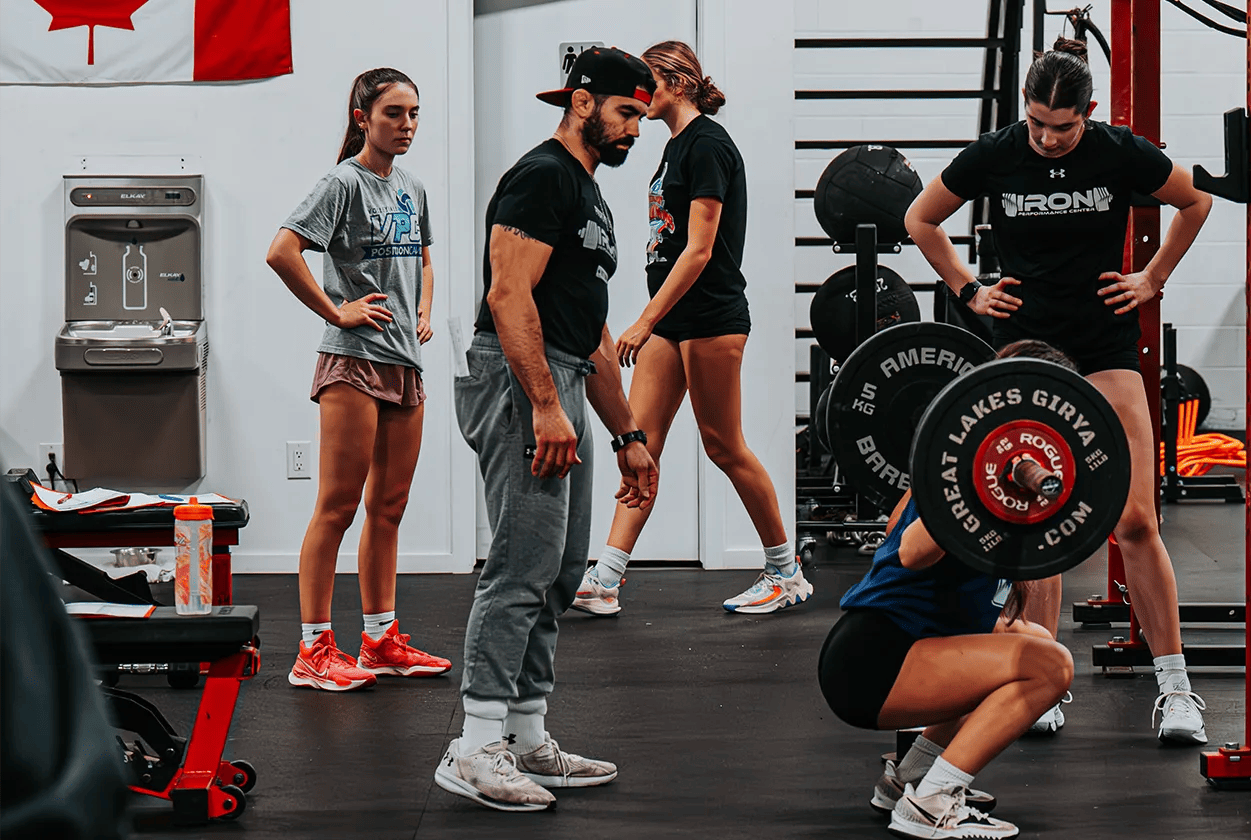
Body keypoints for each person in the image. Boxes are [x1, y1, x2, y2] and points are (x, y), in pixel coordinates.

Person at [902, 37, 1215, 743]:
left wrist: (1153, 277)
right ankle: (1040, 675)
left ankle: (1176, 689)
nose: (1046, 137)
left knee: (1134, 518)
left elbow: (1195, 199)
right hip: (1021, 349)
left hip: (1104, 345)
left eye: (1062, 126)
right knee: (1027, 517)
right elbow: (919, 219)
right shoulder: (997, 153)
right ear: (1026, 109)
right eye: (1038, 122)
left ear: (1088, 113)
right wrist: (968, 290)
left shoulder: (1116, 152)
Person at [435, 46, 660, 812]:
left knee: (563, 568)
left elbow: (589, 329)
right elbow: (508, 295)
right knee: (521, 564)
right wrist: (541, 403)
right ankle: (474, 744)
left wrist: (629, 434)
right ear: (583, 102)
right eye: (628, 113)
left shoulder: (588, 193)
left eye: (642, 116)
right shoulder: (542, 176)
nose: (636, 129)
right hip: (518, 375)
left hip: (561, 372)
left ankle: (527, 732)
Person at [572, 40, 807, 618]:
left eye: (647, 85)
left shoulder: (707, 145)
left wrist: (643, 321)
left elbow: (700, 250)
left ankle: (786, 571)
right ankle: (607, 577)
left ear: (676, 82)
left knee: (724, 445)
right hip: (672, 321)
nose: (639, 98)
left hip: (710, 319)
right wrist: (656, 320)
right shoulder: (676, 147)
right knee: (639, 445)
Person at [819, 340, 1079, 840]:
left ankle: (909, 779)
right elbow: (912, 553)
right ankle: (930, 803)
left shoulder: (1014, 484)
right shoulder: (958, 473)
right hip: (873, 661)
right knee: (1052, 666)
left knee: (1039, 647)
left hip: (894, 652)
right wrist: (974, 492)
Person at [266, 68, 450, 692]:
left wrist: (424, 308)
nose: (407, 126)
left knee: (389, 507)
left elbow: (423, 255)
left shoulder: (413, 187)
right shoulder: (342, 182)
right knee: (338, 506)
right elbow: (282, 251)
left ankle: (379, 639)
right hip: (352, 358)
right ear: (362, 118)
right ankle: (313, 650)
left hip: (404, 361)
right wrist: (336, 309)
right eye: (394, 113)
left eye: (415, 114)